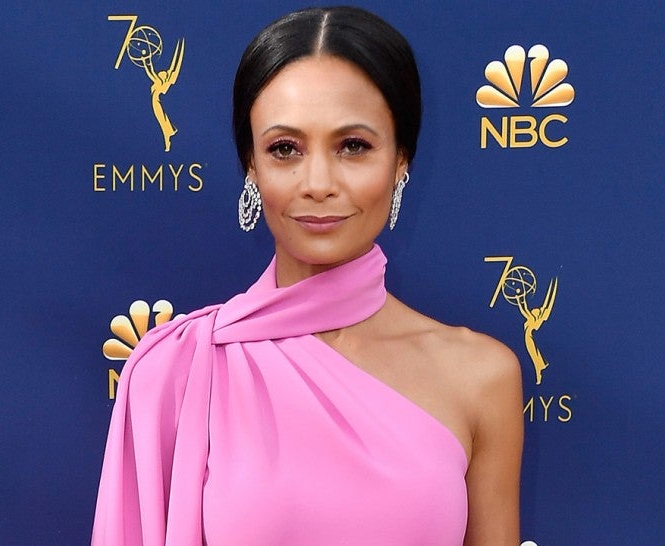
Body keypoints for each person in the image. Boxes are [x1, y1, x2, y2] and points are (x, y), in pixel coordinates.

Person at [93, 6, 522, 545]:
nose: (318, 182)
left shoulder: (481, 376)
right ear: (251, 165)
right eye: (285, 149)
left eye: (353, 146)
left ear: (401, 161)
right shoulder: (174, 371)